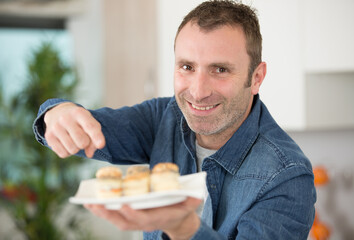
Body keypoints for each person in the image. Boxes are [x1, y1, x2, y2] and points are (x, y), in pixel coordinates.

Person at [33, 0, 316, 239]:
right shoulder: (165, 118)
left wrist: (182, 227)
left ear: (256, 78)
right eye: (187, 67)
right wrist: (56, 113)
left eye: (219, 69)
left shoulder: (286, 176)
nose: (198, 91)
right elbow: (86, 128)